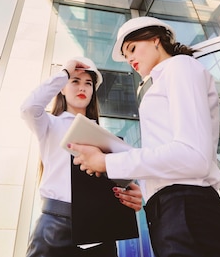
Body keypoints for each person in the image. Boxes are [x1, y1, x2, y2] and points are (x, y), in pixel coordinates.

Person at [69, 17, 220, 257]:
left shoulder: (180, 67)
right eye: (126, 56)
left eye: (132, 49)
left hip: (188, 209)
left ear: (156, 39)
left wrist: (108, 162)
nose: (130, 60)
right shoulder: (158, 81)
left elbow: (193, 156)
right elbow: (170, 152)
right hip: (168, 212)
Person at [20, 56, 142, 257]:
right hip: (55, 226)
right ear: (62, 87)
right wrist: (64, 73)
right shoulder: (49, 124)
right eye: (75, 81)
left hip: (101, 228)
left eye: (88, 83)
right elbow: (28, 108)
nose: (82, 88)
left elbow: (119, 182)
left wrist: (131, 196)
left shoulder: (107, 139)